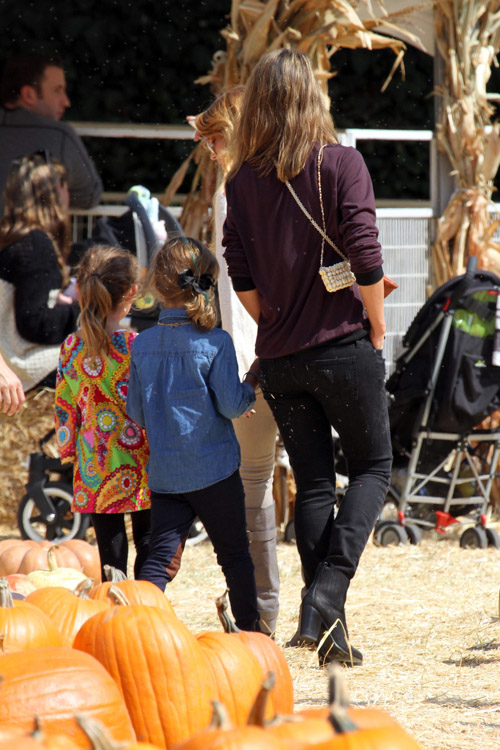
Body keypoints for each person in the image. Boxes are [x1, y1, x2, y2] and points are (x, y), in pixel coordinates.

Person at [222, 49, 393, 665]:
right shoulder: (341, 164)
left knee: (316, 485)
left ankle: (329, 635)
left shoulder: (239, 182)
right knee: (375, 469)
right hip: (344, 347)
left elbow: (241, 277)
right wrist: (376, 325)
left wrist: (276, 317)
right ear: (312, 99)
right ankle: (327, 591)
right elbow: (367, 259)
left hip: (282, 361)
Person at [126, 236, 261, 631]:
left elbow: (137, 412)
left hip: (166, 474)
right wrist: (252, 380)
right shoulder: (216, 343)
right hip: (215, 471)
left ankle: (138, 630)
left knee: (159, 559)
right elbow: (234, 406)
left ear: (156, 285)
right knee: (234, 556)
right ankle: (252, 633)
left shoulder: (142, 345)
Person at [192, 88, 280, 636]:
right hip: (300, 343)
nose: (210, 150)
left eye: (214, 138)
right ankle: (313, 611)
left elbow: (233, 287)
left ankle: (264, 611)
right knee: (309, 483)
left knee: (254, 485)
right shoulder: (287, 178)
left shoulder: (234, 188)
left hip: (256, 354)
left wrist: (243, 367)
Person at [54, 244, 150, 581]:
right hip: (140, 460)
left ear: (79, 291)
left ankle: (115, 609)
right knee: (148, 545)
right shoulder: (136, 345)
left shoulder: (71, 346)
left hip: (94, 462)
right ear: (131, 293)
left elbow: (65, 407)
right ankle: (147, 610)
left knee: (111, 557)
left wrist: (68, 452)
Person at [0, 152, 79, 392]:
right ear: (54, 191)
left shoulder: (14, 238)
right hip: (23, 365)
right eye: (65, 187)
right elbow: (34, 324)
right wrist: (81, 309)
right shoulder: (35, 245)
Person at [0, 53, 102, 214]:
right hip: (34, 237)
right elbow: (89, 196)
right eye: (57, 91)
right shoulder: (59, 135)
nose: (66, 102)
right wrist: (50, 194)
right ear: (29, 95)